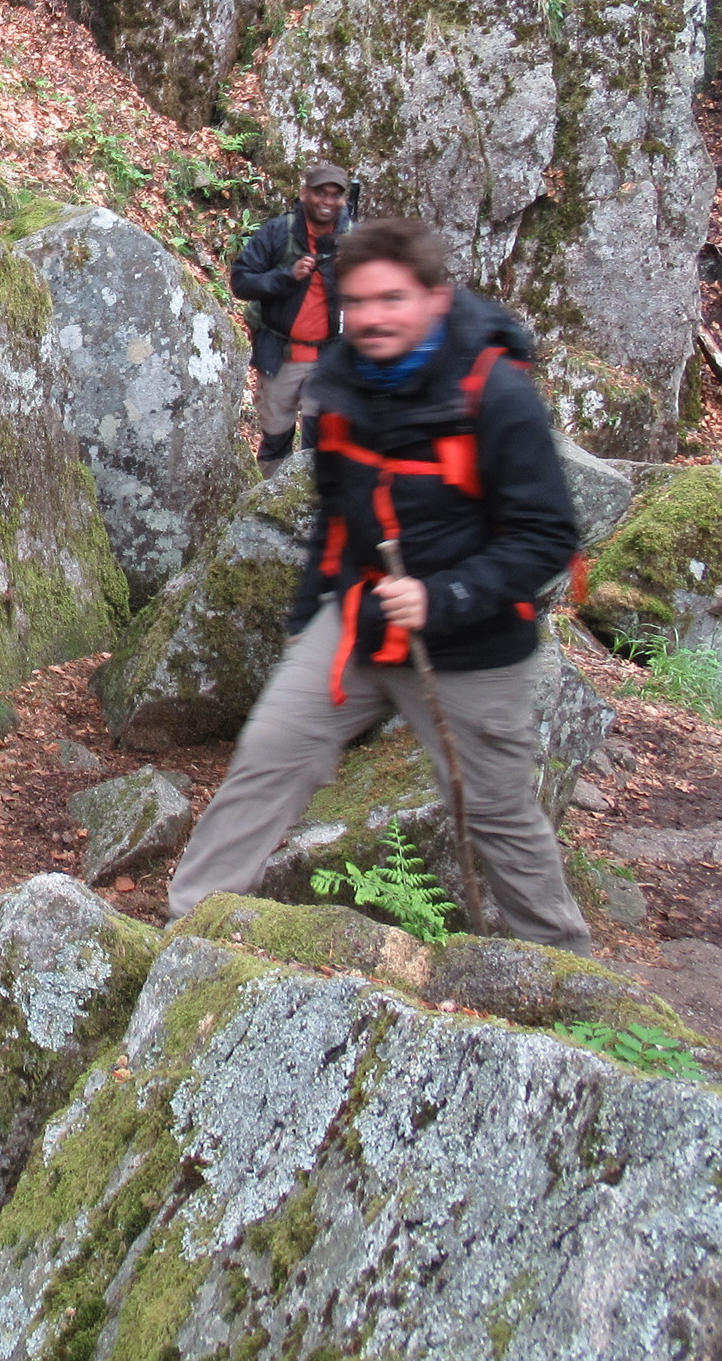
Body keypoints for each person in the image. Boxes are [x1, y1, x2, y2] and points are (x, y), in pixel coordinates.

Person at [167, 217, 591, 953]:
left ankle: (566, 973)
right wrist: (308, 619)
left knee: (494, 811)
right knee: (271, 751)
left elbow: (547, 536)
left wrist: (443, 596)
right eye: (358, 302)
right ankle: (188, 933)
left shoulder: (494, 392)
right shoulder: (341, 381)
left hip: (475, 646)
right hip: (360, 619)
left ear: (434, 298)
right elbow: (335, 516)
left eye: (392, 299)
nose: (373, 318)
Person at [231, 163, 350, 466]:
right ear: (304, 193)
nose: (327, 201)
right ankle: (270, 493)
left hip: (330, 358)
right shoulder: (278, 232)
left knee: (319, 443)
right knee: (275, 439)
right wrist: (286, 276)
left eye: (335, 195)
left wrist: (351, 273)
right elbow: (241, 282)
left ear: (344, 200)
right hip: (280, 354)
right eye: (320, 193)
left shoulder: (353, 241)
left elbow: (377, 296)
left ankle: (311, 495)